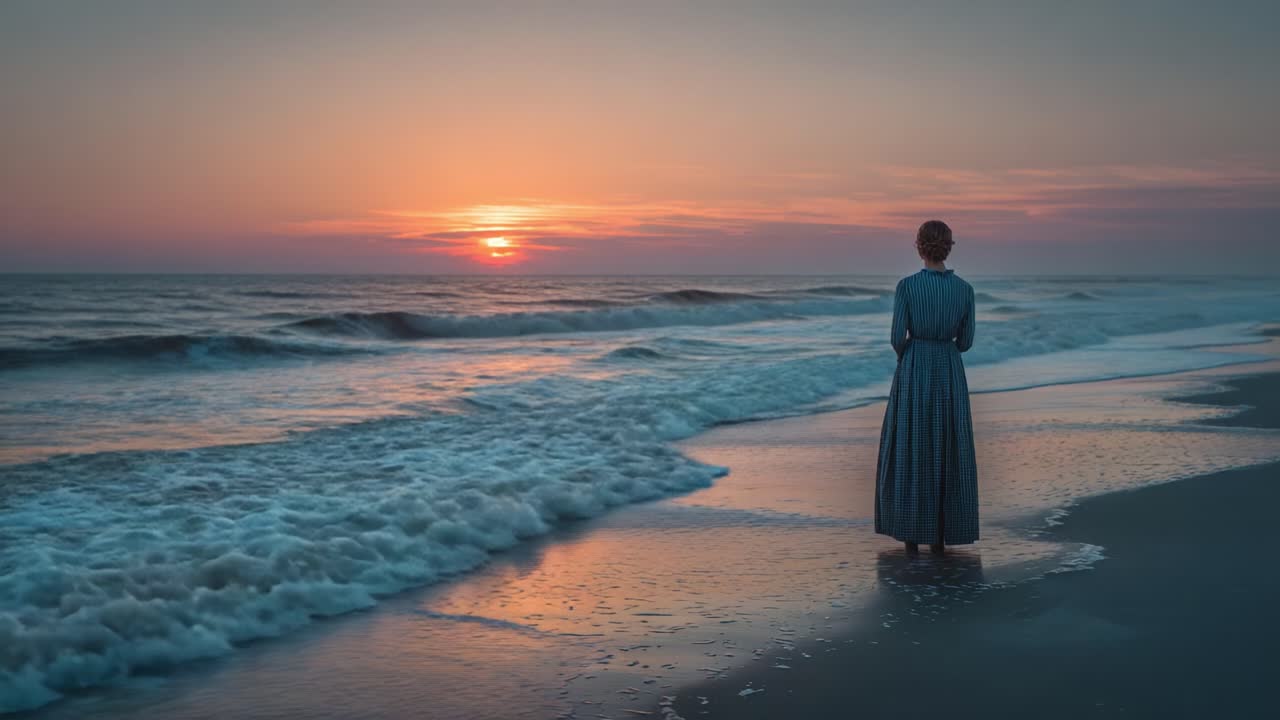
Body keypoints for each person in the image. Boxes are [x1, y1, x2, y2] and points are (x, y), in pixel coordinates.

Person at [875, 220, 978, 554]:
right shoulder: (965, 290)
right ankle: (941, 535)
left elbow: (895, 337)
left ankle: (910, 536)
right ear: (949, 247)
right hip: (948, 367)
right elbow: (966, 341)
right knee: (948, 445)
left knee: (912, 445)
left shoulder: (906, 287)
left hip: (915, 365)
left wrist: (911, 356)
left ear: (919, 246)